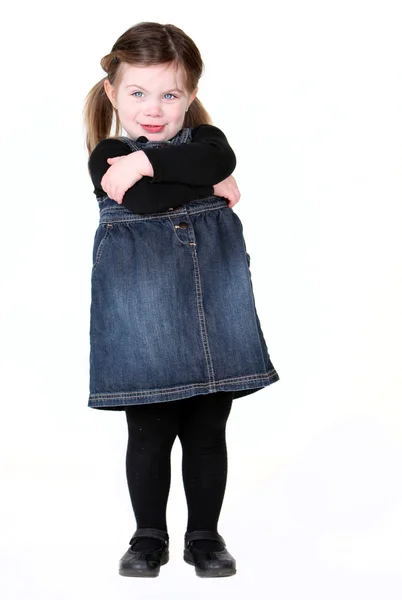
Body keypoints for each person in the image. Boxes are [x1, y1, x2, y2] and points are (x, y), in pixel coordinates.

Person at [82, 21, 280, 579]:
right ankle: (148, 536)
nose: (154, 108)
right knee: (148, 433)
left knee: (206, 431)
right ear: (112, 94)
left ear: (189, 96)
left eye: (170, 94)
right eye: (138, 92)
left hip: (212, 306)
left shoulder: (208, 143)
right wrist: (168, 172)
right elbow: (142, 204)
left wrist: (165, 167)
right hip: (141, 316)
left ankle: (204, 535)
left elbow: (216, 160)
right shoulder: (110, 156)